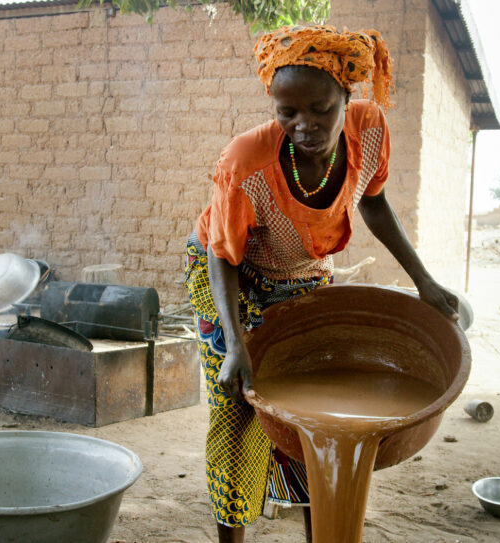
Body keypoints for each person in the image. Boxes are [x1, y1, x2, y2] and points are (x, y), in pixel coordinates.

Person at [184, 25, 459, 543]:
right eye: (286, 113)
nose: (304, 125)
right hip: (227, 275)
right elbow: (223, 254)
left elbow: (373, 202)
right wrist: (236, 340)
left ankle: (323, 528)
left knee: (311, 394)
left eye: (320, 109)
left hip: (302, 270)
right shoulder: (247, 165)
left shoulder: (370, 130)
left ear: (346, 98)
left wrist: (423, 280)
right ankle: (232, 536)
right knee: (241, 403)